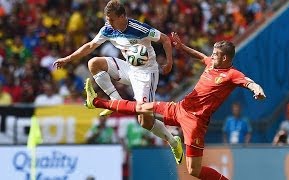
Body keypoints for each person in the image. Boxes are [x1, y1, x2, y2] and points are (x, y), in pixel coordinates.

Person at [84, 33, 266, 180]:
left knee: (193, 170)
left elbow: (249, 82)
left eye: (216, 54)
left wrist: (257, 90)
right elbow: (200, 56)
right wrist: (182, 46)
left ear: (225, 58)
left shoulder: (232, 74)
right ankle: (96, 102)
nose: (212, 56)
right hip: (180, 108)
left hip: (195, 122)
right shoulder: (212, 62)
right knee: (142, 107)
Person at [53, 0, 182, 164]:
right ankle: (116, 100)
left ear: (122, 16)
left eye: (112, 19)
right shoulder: (108, 29)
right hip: (128, 68)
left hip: (146, 74)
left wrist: (169, 62)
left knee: (145, 121)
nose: (109, 22)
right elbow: (91, 45)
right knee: (94, 64)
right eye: (107, 19)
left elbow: (164, 39)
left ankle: (173, 141)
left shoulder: (139, 28)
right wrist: (68, 58)